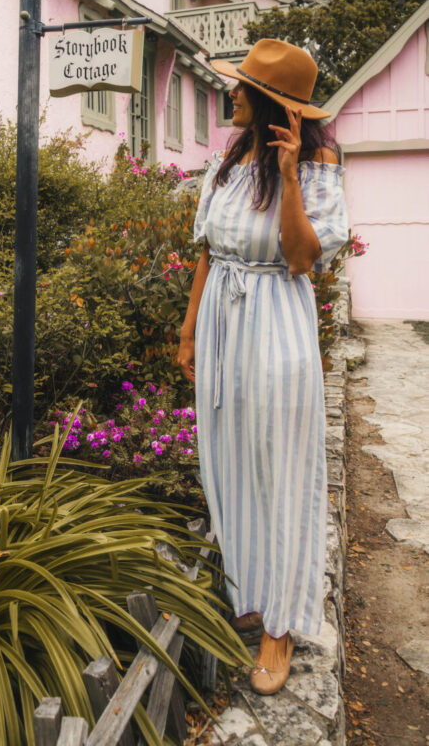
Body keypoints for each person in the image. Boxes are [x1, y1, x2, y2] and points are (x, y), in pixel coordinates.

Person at [177, 38, 349, 695]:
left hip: (276, 321)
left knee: (280, 467)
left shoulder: (315, 162)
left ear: (269, 100)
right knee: (229, 462)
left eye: (241, 86)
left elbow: (303, 258)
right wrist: (189, 328)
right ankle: (249, 594)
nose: (230, 92)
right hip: (223, 319)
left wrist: (286, 178)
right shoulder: (229, 156)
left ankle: (279, 628)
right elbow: (205, 249)